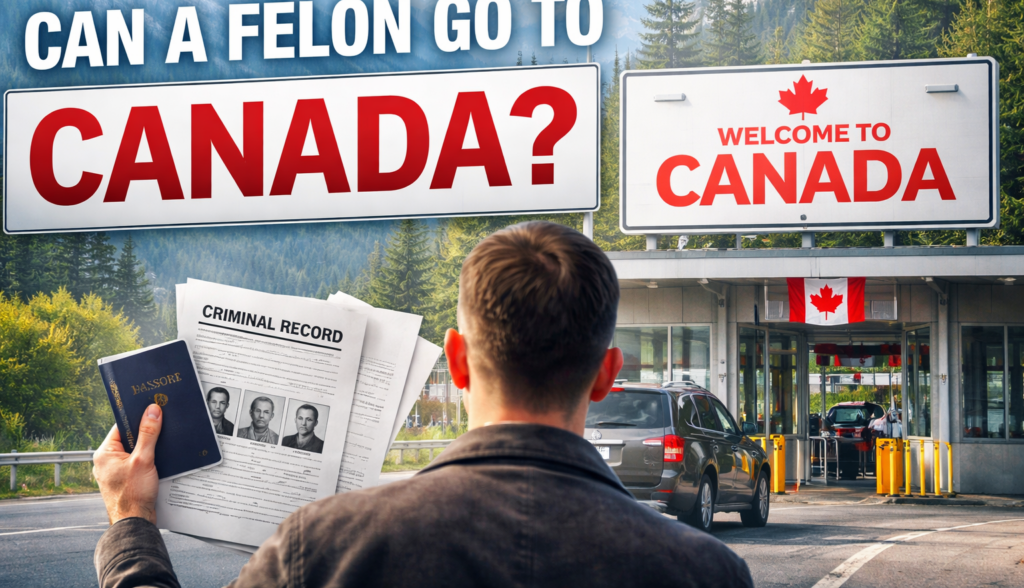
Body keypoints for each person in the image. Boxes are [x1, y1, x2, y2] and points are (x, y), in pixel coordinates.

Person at [92, 221, 753, 588]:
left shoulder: (321, 548)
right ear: (607, 373)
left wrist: (131, 519)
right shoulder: (709, 573)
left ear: (458, 359)